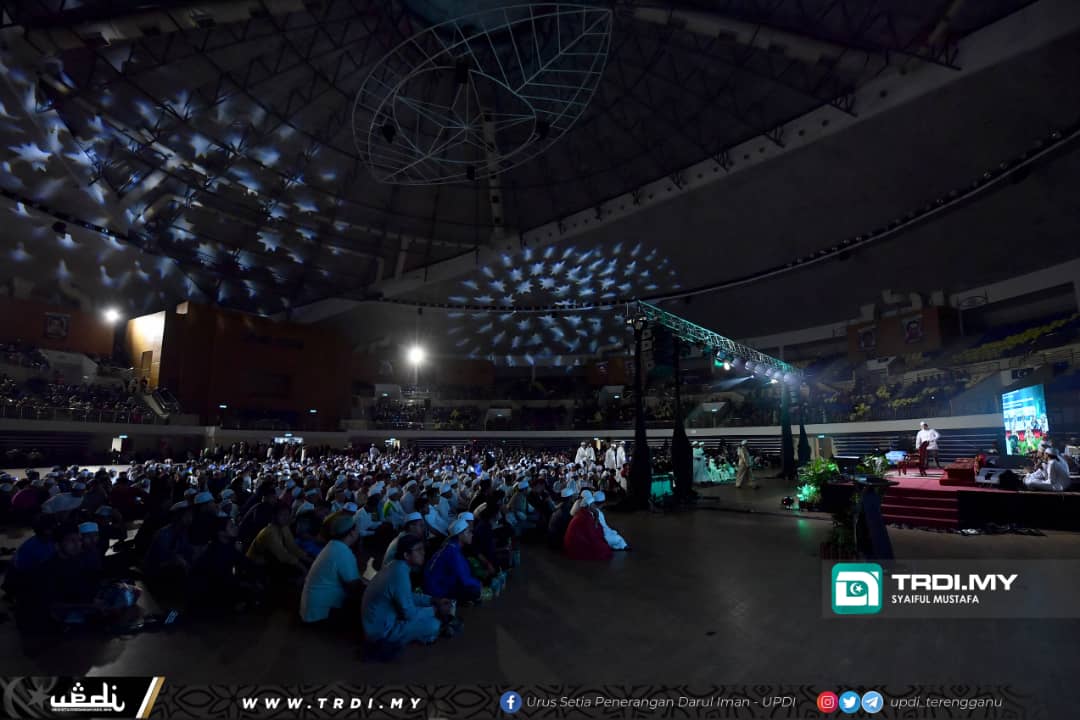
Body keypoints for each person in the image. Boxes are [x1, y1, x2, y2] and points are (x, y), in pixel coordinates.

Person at [361, 534, 450, 658]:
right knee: (433, 625)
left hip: (378, 624)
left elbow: (406, 596)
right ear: (406, 555)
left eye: (423, 549)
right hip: (381, 634)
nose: (423, 553)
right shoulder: (399, 572)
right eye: (418, 550)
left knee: (429, 617)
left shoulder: (396, 566)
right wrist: (435, 610)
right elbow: (409, 613)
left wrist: (432, 600)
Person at [300, 512, 364, 625]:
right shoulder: (342, 552)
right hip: (320, 615)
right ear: (352, 533)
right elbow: (354, 586)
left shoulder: (333, 545)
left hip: (311, 610)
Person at [247, 502, 313, 579]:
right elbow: (283, 555)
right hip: (256, 564)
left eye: (287, 515)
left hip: (271, 561)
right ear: (274, 516)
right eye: (282, 515)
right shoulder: (270, 532)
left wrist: (309, 559)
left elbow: (292, 547)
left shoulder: (284, 527)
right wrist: (303, 568)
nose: (286, 517)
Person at [423, 517, 483, 603]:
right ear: (460, 535)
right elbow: (465, 579)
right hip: (436, 591)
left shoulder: (451, 546)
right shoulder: (453, 551)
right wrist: (478, 583)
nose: (472, 534)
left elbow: (464, 570)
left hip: (435, 586)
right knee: (474, 591)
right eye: (469, 532)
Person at [563, 493, 612, 561]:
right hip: (574, 547)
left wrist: (596, 516)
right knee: (604, 550)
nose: (594, 506)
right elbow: (592, 536)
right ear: (589, 506)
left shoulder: (583, 513)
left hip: (571, 544)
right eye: (593, 504)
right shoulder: (585, 517)